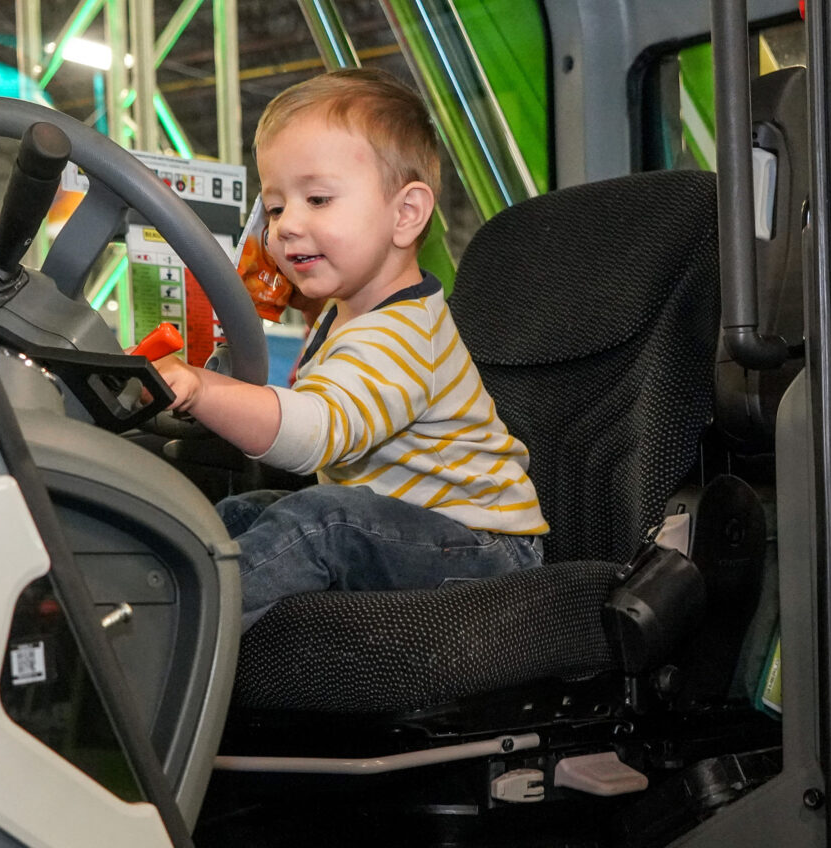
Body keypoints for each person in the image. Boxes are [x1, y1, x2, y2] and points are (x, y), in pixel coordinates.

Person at [153, 68, 548, 630]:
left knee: (321, 524)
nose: (287, 227)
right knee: (245, 514)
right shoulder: (345, 313)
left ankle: (173, 631)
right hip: (406, 530)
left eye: (317, 198)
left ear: (407, 214)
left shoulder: (403, 332)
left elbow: (315, 435)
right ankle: (153, 594)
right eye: (276, 207)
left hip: (485, 553)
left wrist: (200, 387)